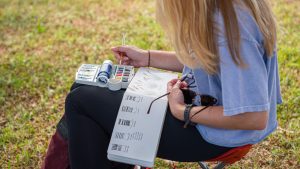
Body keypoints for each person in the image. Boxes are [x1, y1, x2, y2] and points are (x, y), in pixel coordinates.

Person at [65, 0, 282, 168]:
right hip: (205, 117)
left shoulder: (233, 29)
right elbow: (205, 59)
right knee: (85, 89)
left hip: (216, 136)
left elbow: (254, 117)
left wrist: (182, 111)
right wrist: (147, 57)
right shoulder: (223, 9)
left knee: (80, 101)